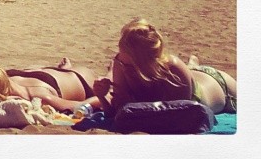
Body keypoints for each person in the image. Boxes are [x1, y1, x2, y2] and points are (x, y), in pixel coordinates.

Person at [93, 18, 237, 117]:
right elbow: (116, 115)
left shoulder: (174, 71)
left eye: (130, 66)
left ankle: (193, 66)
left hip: (219, 85)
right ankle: (193, 65)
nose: (124, 69)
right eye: (121, 61)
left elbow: (171, 119)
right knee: (190, 71)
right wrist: (102, 96)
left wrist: (131, 104)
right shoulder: (121, 62)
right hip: (192, 77)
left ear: (147, 64)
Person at [0, 59, 102, 113]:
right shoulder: (36, 97)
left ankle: (63, 69)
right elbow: (82, 105)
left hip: (82, 77)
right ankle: (62, 69)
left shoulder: (38, 96)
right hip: (70, 78)